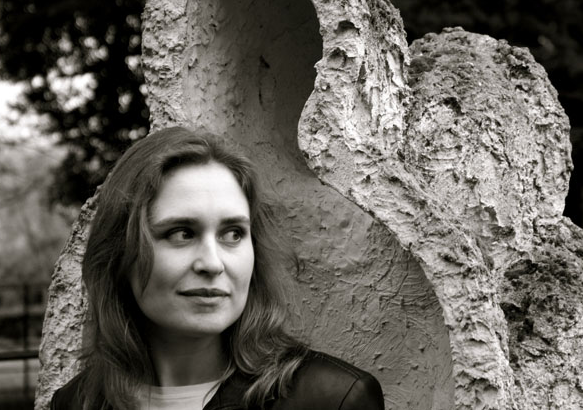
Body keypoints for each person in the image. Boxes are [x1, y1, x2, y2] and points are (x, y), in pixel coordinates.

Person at [50, 127, 384, 410]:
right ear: (120, 252)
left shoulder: (333, 399)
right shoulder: (75, 403)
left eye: (233, 234)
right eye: (182, 233)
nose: (212, 263)